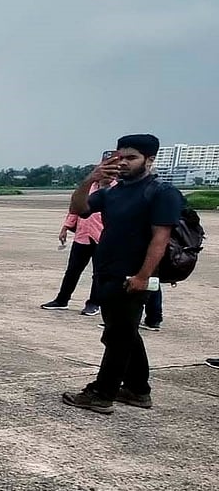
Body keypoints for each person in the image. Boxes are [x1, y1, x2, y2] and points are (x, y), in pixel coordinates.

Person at [62, 134, 184, 414]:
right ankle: (137, 390)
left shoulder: (161, 192)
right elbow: (78, 208)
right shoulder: (114, 190)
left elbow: (160, 239)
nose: (124, 163)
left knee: (117, 336)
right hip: (107, 271)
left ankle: (102, 394)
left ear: (149, 160)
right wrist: (90, 179)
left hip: (133, 275)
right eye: (120, 157)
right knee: (124, 332)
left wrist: (142, 276)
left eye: (132, 158)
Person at [41, 182, 103, 316]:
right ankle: (62, 300)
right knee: (72, 271)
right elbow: (75, 209)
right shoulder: (88, 187)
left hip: (103, 238)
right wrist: (65, 227)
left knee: (99, 274)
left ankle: (94, 303)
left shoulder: (115, 189)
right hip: (82, 236)